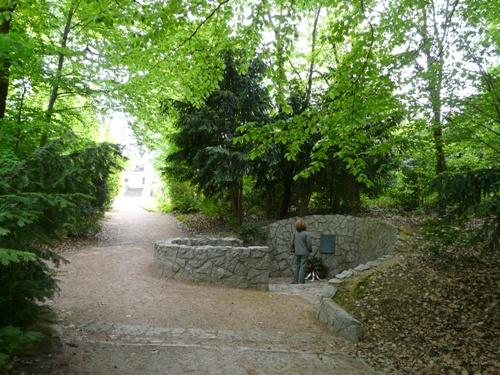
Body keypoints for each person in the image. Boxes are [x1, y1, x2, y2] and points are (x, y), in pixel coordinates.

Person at [290, 218, 312, 284]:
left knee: (296, 266)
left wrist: (292, 249)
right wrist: (310, 249)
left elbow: (292, 242)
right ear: (304, 225)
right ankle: (301, 281)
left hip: (297, 252)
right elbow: (309, 243)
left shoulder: (295, 233)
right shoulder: (306, 233)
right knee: (302, 266)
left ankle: (296, 281)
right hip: (304, 252)